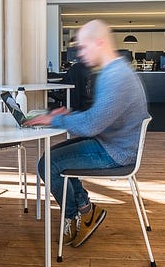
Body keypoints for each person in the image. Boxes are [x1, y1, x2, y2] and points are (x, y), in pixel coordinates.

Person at [27, 20, 149, 248]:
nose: (80, 54)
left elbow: (92, 125)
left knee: (48, 164)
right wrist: (69, 115)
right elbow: (98, 117)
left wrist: (54, 119)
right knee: (54, 157)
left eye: (83, 47)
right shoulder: (114, 71)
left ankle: (73, 216)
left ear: (99, 43)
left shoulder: (116, 77)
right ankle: (86, 209)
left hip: (116, 152)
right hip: (111, 141)